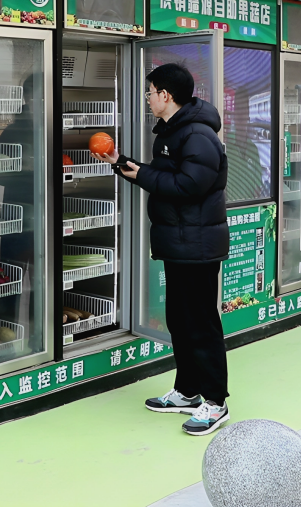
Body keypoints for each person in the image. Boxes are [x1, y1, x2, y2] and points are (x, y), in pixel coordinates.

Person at [92, 63, 231, 436]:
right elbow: (164, 179)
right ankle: (187, 391)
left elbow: (189, 186)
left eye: (151, 92)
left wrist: (144, 174)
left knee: (201, 323)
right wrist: (121, 163)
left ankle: (215, 401)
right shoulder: (173, 131)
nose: (148, 98)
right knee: (180, 320)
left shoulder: (198, 135)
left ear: (166, 95)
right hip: (179, 242)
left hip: (197, 245)